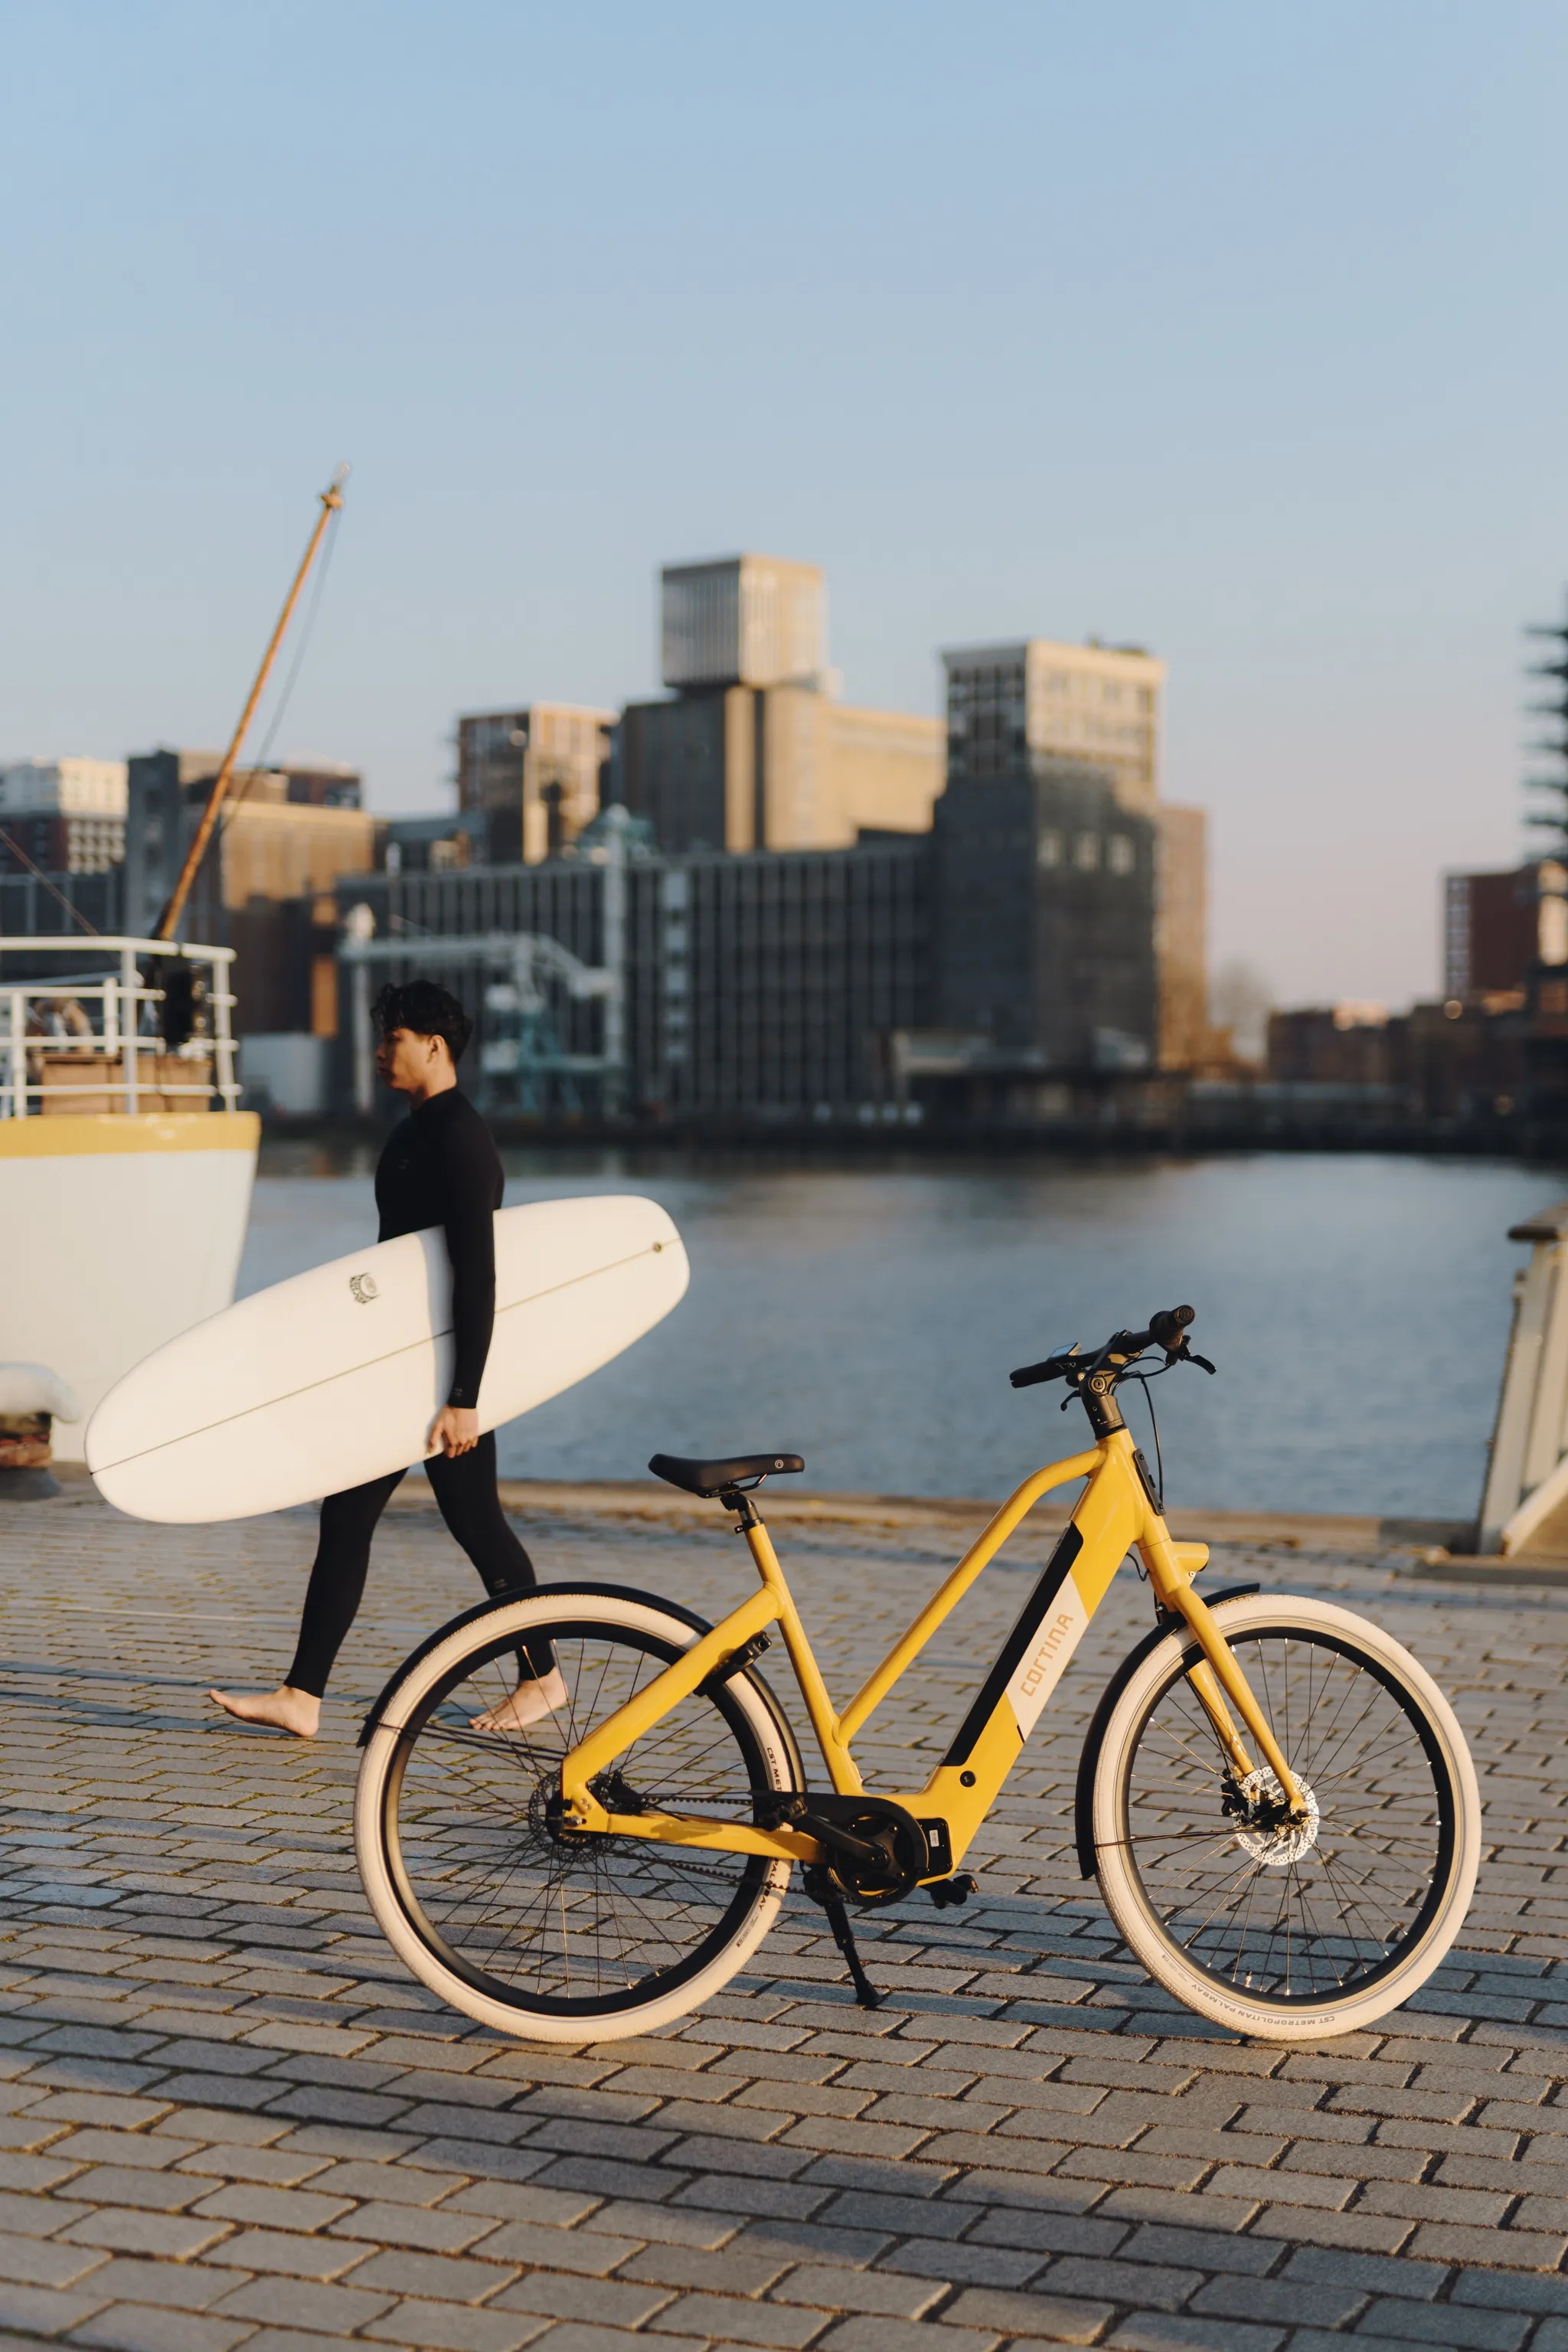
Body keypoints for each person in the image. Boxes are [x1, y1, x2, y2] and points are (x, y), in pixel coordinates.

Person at [210, 980, 566, 1739]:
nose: (379, 1053)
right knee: (348, 1518)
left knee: (478, 1526)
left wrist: (464, 1392)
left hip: (441, 1375)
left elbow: (478, 1273)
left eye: (392, 1038)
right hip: (400, 1366)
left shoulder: (460, 1137)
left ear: (434, 1044)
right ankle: (302, 1696)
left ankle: (542, 1680)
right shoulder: (414, 1130)